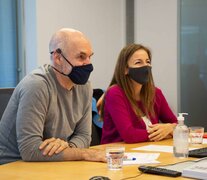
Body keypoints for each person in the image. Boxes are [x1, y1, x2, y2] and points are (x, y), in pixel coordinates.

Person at [0, 28, 106, 165]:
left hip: (50, 163)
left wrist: (68, 149)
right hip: (12, 166)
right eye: (81, 57)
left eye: (89, 57)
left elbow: (84, 136)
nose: (88, 64)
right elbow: (30, 150)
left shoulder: (84, 86)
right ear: (58, 58)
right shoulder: (36, 85)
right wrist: (83, 153)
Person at [100, 44, 177, 144]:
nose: (145, 66)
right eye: (138, 62)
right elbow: (129, 135)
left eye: (148, 62)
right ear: (125, 69)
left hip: (148, 150)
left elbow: (178, 125)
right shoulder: (115, 93)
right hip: (115, 154)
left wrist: (170, 128)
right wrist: (162, 133)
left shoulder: (155, 93)